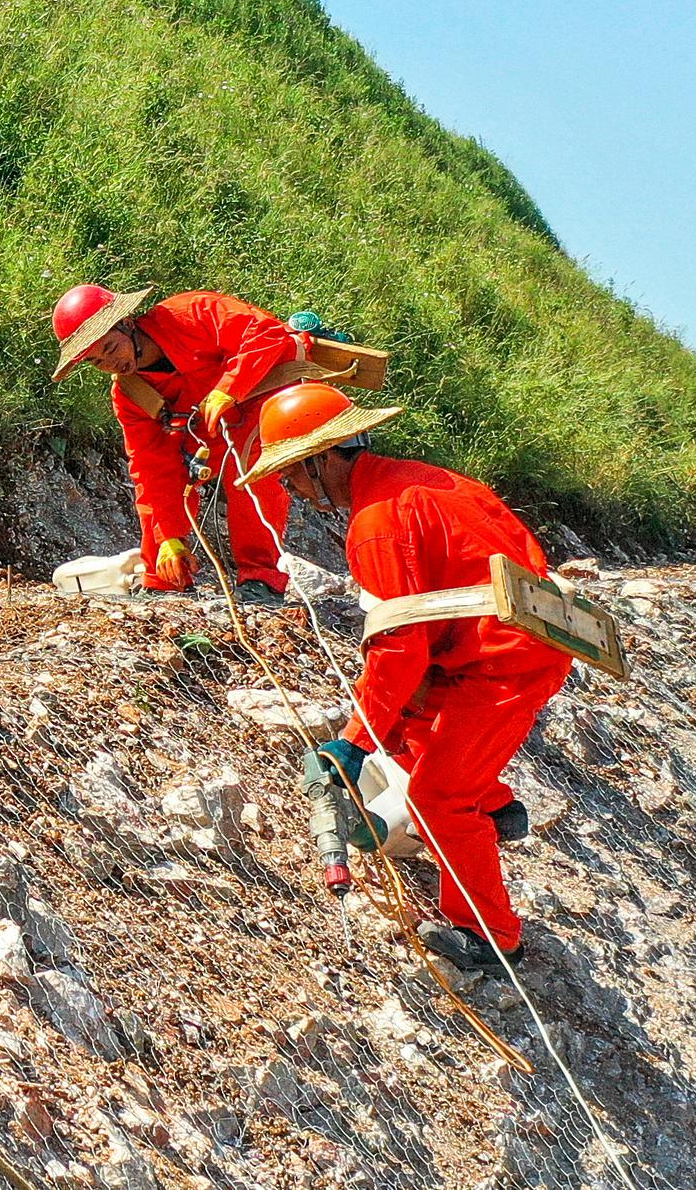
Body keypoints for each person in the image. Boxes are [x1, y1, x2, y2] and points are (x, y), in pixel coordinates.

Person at [236, 383, 573, 973]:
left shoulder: (375, 524)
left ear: (320, 458)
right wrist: (379, 724)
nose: (287, 487)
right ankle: (495, 809)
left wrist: (352, 741)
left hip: (503, 661)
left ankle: (490, 937)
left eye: (290, 473)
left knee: (437, 798)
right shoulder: (425, 478)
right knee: (405, 722)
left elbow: (398, 648)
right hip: (507, 636)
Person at [50, 284, 302, 603]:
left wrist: (230, 388)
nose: (111, 364)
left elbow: (267, 334)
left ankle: (262, 579)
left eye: (112, 349)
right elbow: (150, 466)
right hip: (204, 427)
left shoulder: (190, 313)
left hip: (261, 399)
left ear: (127, 323)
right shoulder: (130, 395)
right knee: (156, 495)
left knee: (248, 471)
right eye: (98, 362)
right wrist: (169, 536)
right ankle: (166, 579)